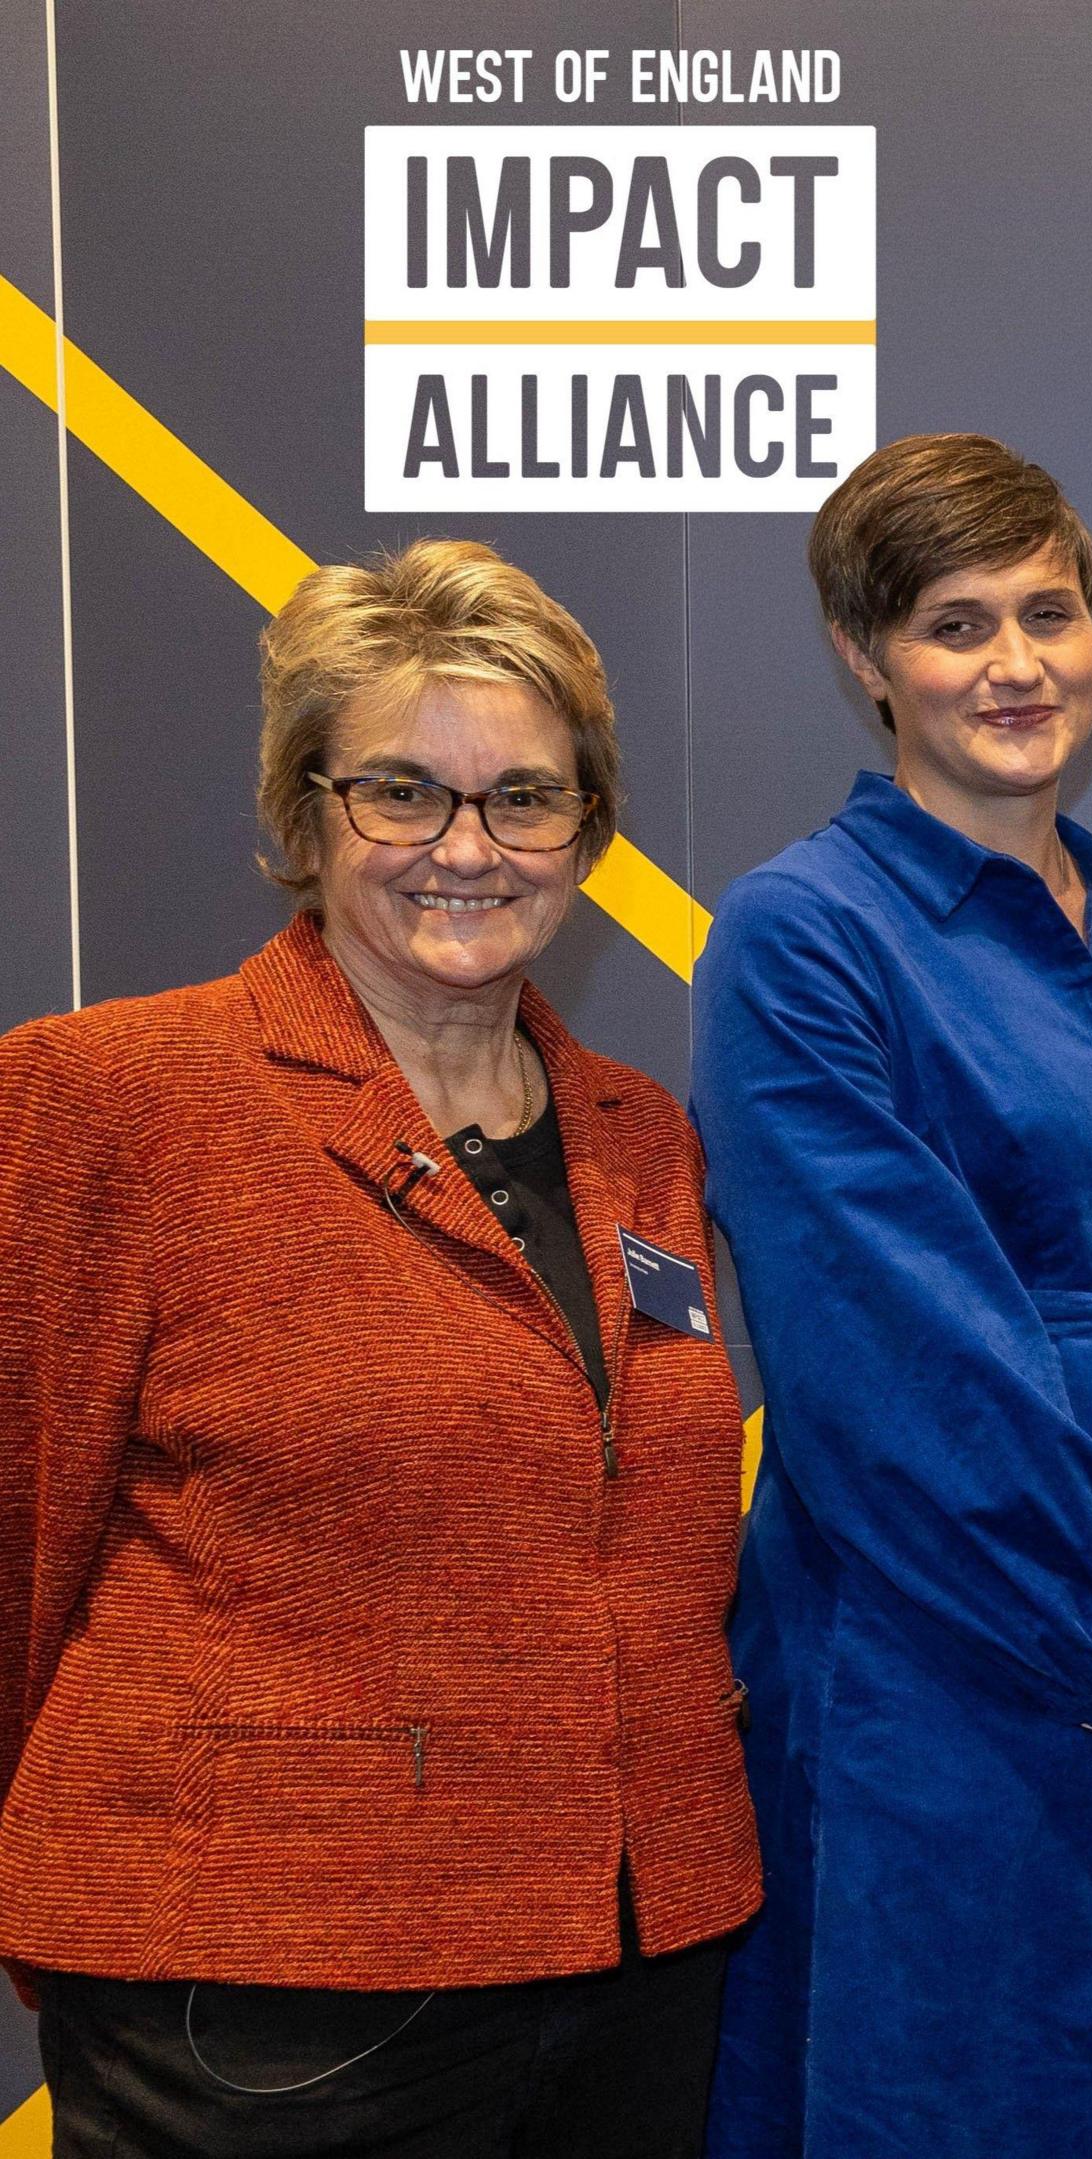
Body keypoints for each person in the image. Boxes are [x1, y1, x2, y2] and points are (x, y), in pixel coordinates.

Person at [0, 540, 760, 2154]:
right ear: (304, 813)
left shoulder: (644, 1135)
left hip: (634, 1964)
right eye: (402, 793)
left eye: (525, 799)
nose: (466, 849)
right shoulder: (111, 1101)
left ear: (589, 830)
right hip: (264, 1989)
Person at [693, 435, 1092, 2159]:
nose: (1015, 665)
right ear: (866, 657)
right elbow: (894, 1374)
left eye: (1048, 612)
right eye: (955, 625)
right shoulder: (802, 936)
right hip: (955, 1706)